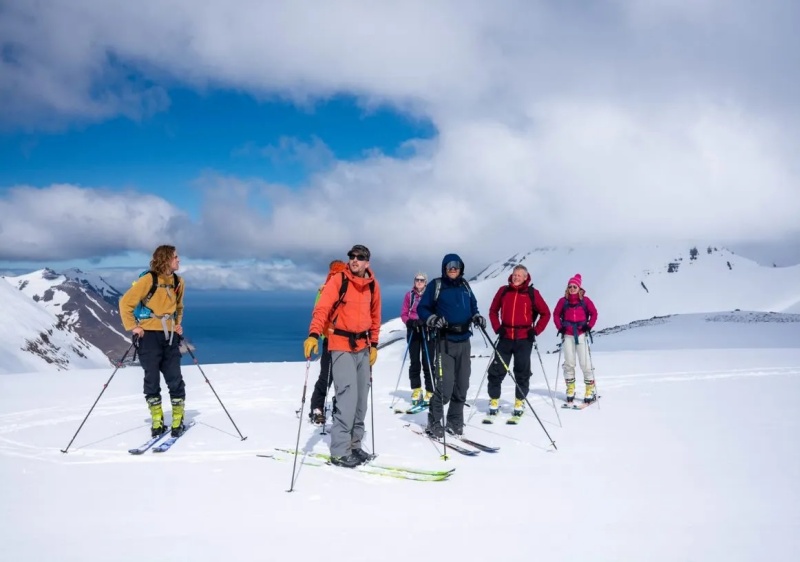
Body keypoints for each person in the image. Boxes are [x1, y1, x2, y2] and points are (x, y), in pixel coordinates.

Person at [303, 244, 381, 468]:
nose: (355, 260)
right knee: (346, 397)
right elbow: (322, 309)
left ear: (367, 262)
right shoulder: (339, 280)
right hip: (340, 343)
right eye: (352, 256)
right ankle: (339, 450)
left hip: (363, 346)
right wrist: (313, 335)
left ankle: (355, 446)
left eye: (360, 257)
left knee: (361, 399)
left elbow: (375, 316)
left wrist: (374, 344)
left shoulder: (373, 286)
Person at [119, 245, 187, 438]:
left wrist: (177, 324)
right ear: (166, 259)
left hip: (170, 336)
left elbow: (179, 307)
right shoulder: (149, 279)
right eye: (175, 257)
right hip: (148, 335)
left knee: (175, 379)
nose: (178, 260)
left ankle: (177, 420)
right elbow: (126, 303)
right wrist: (134, 327)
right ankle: (157, 421)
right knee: (152, 379)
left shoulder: (178, 281)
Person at [416, 253, 484, 438]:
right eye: (449, 266)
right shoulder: (436, 285)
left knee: (462, 385)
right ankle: (434, 421)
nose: (453, 269)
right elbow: (422, 308)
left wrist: (477, 316)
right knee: (445, 387)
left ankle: (454, 421)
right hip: (445, 341)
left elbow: (473, 306)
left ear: (461, 267)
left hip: (464, 341)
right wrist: (433, 319)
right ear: (444, 268)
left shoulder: (465, 286)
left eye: (456, 266)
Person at [486, 264, 551, 417]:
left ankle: (519, 401)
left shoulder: (532, 293)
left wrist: (536, 331)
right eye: (514, 274)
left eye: (519, 275)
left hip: (524, 339)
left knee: (522, 372)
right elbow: (493, 310)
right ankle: (494, 400)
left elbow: (545, 313)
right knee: (496, 371)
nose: (516, 277)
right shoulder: (503, 291)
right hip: (505, 337)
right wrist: (497, 327)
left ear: (525, 277)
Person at [307, 259, 348, 425]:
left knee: (327, 375)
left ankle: (317, 408)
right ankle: (339, 407)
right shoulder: (345, 285)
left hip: (329, 338)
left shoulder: (324, 288)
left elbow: (318, 312)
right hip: (342, 339)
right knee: (341, 377)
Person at [553, 273, 598, 403]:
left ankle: (590, 389)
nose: (572, 288)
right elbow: (556, 314)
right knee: (569, 363)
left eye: (575, 286)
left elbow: (594, 313)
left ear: (579, 288)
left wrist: (589, 326)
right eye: (570, 286)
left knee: (585, 363)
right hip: (567, 334)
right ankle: (570, 388)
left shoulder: (585, 301)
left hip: (581, 334)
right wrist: (559, 327)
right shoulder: (563, 301)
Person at [400, 272, 433, 407]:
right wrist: (410, 322)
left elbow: (434, 311)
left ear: (426, 282)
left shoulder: (430, 295)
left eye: (422, 280)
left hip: (427, 330)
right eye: (417, 280)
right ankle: (416, 389)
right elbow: (403, 313)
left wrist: (427, 321)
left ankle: (430, 390)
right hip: (413, 330)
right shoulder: (410, 295)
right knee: (414, 361)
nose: (419, 282)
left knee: (428, 362)